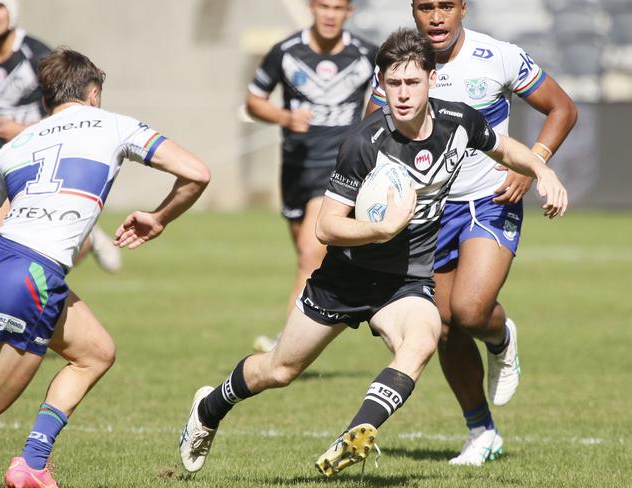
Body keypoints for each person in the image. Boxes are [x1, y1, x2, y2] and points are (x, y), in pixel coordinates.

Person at [179, 28, 567, 478]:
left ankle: (356, 435)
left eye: (412, 82)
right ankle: (209, 407)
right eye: (393, 84)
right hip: (345, 278)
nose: (402, 94)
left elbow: (503, 147)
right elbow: (326, 226)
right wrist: (378, 228)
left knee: (421, 340)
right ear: (380, 85)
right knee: (279, 370)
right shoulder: (364, 143)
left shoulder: (458, 122)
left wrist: (542, 170)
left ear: (432, 80)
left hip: (407, 279)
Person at [0, 47, 211, 487]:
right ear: (93, 94)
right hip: (33, 277)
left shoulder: (17, 143)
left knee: (95, 353)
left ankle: (32, 462)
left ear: (47, 101)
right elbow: (196, 172)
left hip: (1, 262)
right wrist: (159, 217)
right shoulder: (113, 124)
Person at [365, 0, 578, 466]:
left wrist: (531, 165)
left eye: (446, 6)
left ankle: (502, 338)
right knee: (442, 326)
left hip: (488, 200)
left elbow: (561, 108)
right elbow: (370, 134)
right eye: (426, 7)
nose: (436, 17)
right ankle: (482, 431)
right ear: (414, 11)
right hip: (428, 212)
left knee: (469, 309)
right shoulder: (399, 67)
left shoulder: (498, 55)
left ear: (463, 8)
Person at [246, 0, 377, 353]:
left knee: (309, 256)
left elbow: (388, 97)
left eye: (339, 8)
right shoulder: (287, 52)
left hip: (338, 172)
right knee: (309, 262)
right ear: (311, 8)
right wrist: (285, 118)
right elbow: (253, 100)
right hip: (295, 169)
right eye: (324, 6)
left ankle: (286, 347)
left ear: (349, 12)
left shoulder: (366, 54)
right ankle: (325, 313)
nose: (331, 15)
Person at [0, 0, 122, 273]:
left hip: (45, 163)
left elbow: (70, 113)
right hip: (3, 160)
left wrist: (21, 131)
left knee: (27, 247)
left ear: (12, 10)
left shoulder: (36, 54)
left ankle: (86, 241)